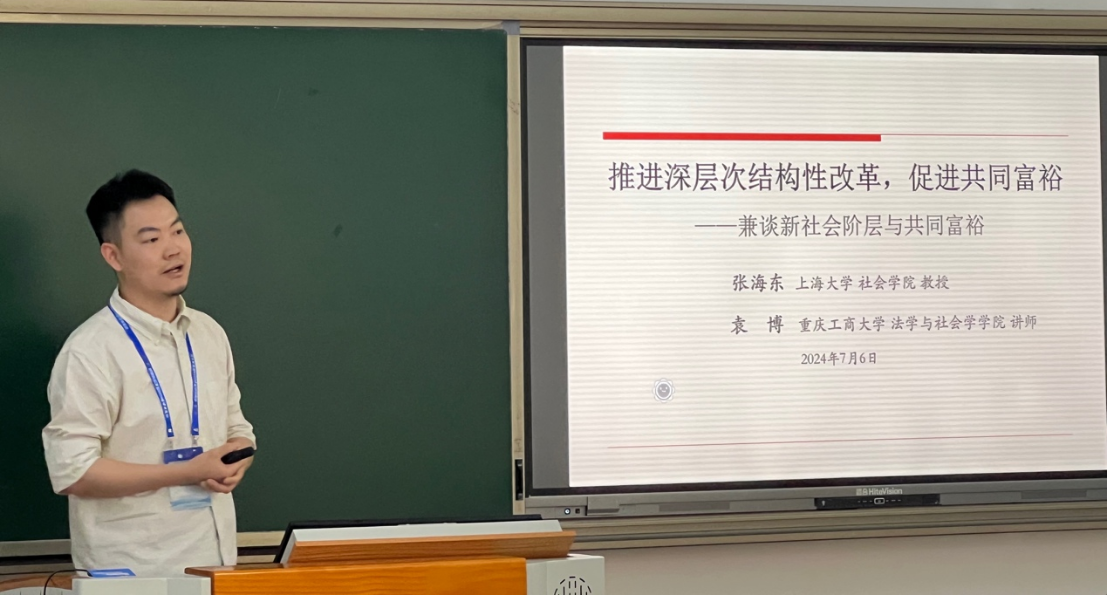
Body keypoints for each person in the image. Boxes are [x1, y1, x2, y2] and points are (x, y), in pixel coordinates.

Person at [42, 170, 257, 576]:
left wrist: (238, 454)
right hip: (132, 573)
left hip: (214, 565)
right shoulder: (90, 351)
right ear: (114, 256)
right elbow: (74, 471)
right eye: (151, 239)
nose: (173, 249)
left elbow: (237, 426)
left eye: (177, 231)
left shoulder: (208, 334)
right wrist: (186, 472)